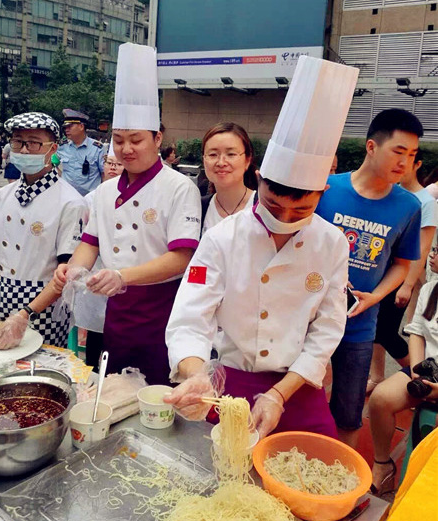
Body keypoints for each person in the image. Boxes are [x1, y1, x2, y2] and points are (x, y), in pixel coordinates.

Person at [164, 56, 359, 440]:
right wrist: (196, 374)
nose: (285, 217)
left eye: (301, 209)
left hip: (296, 385)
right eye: (273, 205)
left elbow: (327, 328)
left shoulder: (332, 243)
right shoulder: (222, 238)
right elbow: (190, 317)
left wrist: (278, 395)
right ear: (259, 179)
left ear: (323, 193)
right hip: (226, 382)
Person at [53, 43, 202, 384]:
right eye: (119, 140)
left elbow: (181, 257)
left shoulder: (180, 188)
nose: (126, 149)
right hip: (117, 313)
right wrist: (73, 270)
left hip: (161, 311)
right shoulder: (105, 191)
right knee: (117, 391)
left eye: (136, 139)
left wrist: (123, 277)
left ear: (157, 138)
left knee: (161, 399)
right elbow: (90, 243)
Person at [315, 108, 423, 448]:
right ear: (372, 147)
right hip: (309, 320)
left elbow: (403, 264)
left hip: (360, 325)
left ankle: (339, 474)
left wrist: (376, 297)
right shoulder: (326, 189)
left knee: (348, 412)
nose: (405, 163)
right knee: (301, 401)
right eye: (399, 152)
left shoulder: (408, 206)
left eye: (412, 155)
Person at [0, 112, 87, 349]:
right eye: (17, 141)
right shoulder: (1, 197)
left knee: (39, 376)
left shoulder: (70, 203)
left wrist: (25, 313)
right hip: (2, 298)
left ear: (52, 149)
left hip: (45, 306)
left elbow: (66, 274)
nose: (23, 150)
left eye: (33, 142)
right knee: (0, 371)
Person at [367, 150, 438, 391]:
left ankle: (420, 378)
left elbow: (422, 247)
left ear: (417, 164)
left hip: (400, 276)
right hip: (379, 273)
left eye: (407, 160)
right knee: (376, 330)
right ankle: (376, 377)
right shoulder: (391, 194)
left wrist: (407, 285)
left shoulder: (426, 202)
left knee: (386, 332)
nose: (399, 165)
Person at [368, 279, 438, 496]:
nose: (432, 256)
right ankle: (383, 466)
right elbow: (416, 333)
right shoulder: (430, 289)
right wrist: (417, 373)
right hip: (428, 368)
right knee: (380, 399)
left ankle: (426, 486)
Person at [77, 140, 125, 370]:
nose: (113, 168)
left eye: (118, 164)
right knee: (96, 330)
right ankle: (92, 371)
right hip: (95, 272)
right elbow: (86, 241)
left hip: (124, 278)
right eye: (109, 163)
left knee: (116, 339)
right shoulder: (91, 199)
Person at [200, 122, 258, 235]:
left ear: (247, 160)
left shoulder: (263, 207)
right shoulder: (199, 209)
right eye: (212, 154)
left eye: (231, 154)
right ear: (203, 160)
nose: (221, 163)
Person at [57, 109, 105, 196]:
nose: (66, 130)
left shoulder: (98, 148)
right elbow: (52, 166)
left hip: (89, 198)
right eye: (65, 127)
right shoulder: (62, 146)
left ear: (81, 126)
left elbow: (104, 174)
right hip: (67, 196)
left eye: (70, 126)